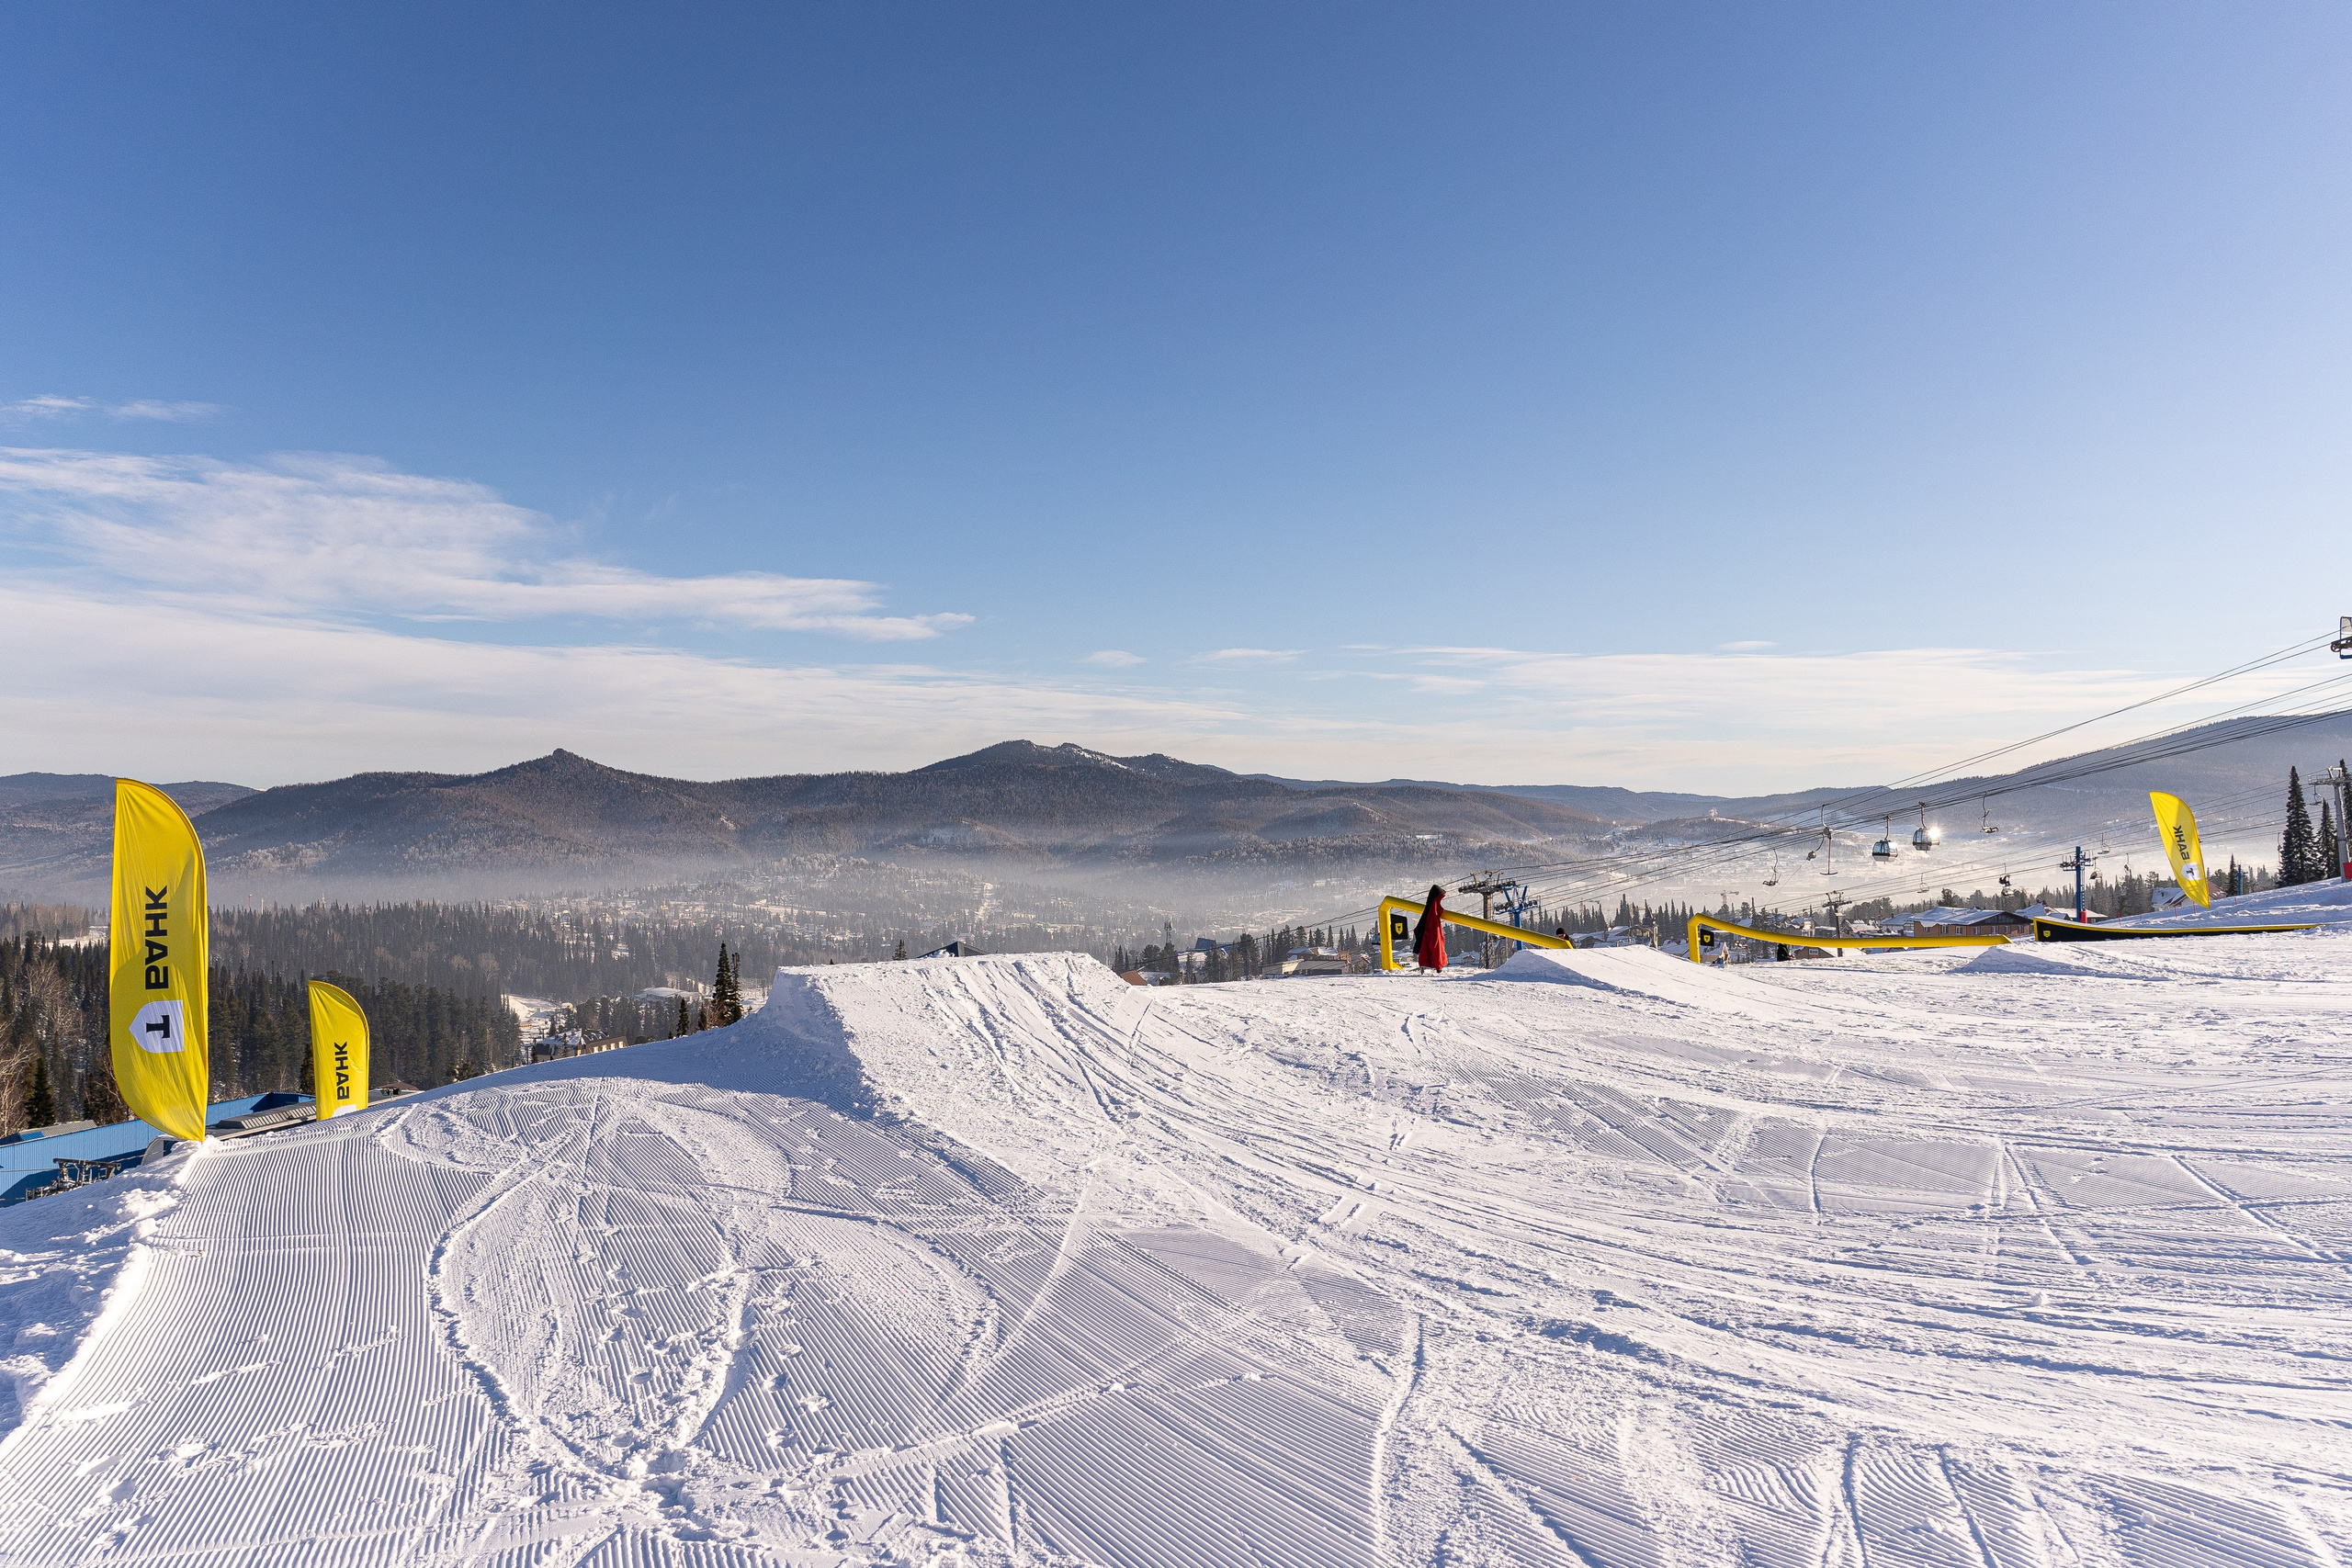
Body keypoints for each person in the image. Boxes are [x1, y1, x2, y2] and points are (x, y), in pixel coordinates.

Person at [1413, 884, 1449, 971]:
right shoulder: (1433, 917)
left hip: (1429, 960)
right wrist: (1439, 966)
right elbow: (1436, 945)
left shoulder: (1430, 913)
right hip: (1434, 962)